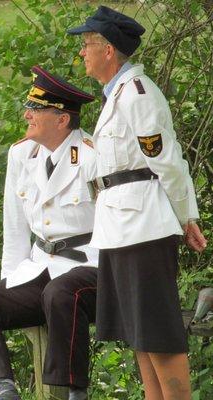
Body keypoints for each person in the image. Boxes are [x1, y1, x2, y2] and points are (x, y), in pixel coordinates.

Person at [67, 6, 208, 400]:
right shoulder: (118, 96)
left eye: (87, 44)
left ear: (108, 50)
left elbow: (166, 161)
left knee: (158, 334)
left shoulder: (138, 95)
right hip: (120, 228)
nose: (82, 53)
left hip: (143, 226)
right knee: (139, 337)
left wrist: (187, 217)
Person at [0, 65, 97, 400]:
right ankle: (5, 389)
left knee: (61, 293)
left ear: (61, 119)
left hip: (92, 267)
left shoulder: (94, 156)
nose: (26, 115)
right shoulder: (22, 154)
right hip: (40, 267)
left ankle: (75, 393)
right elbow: (15, 226)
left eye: (35, 109)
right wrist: (11, 281)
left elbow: (116, 223)